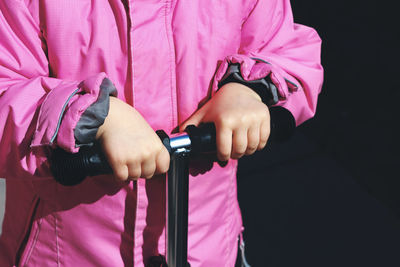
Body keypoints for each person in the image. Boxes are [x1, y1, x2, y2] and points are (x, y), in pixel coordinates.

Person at [0, 0, 323, 266]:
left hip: (209, 244)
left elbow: (284, 45)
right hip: (66, 252)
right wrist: (93, 116)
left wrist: (249, 89)